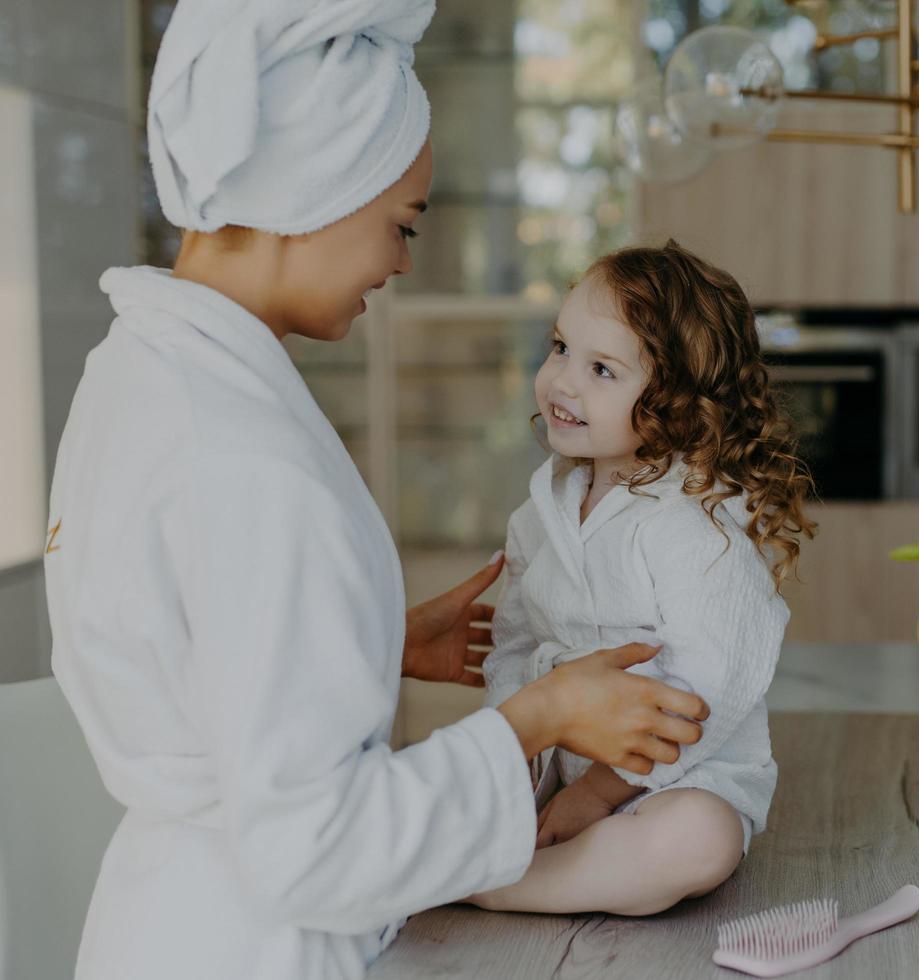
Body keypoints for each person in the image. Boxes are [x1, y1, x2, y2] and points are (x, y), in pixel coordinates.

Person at [43, 3, 706, 978]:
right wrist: (540, 716)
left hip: (165, 924)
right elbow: (313, 843)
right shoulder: (244, 452)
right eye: (399, 224)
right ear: (314, 187)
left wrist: (370, 637)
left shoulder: (136, 372)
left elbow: (182, 636)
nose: (401, 261)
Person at [467, 241, 817, 917]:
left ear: (678, 403)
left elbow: (709, 685)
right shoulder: (539, 517)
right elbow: (512, 647)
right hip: (560, 770)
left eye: (602, 368)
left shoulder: (696, 525)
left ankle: (508, 885)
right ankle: (520, 853)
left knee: (699, 840)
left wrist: (598, 792)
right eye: (561, 347)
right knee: (451, 776)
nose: (562, 381)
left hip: (680, 780)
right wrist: (516, 759)